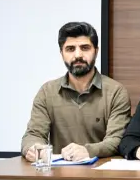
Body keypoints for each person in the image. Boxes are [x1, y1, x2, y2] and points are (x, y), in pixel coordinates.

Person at [21, 21, 131, 161]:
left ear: (96, 51)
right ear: (61, 53)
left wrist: (88, 151)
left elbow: (116, 140)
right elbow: (33, 134)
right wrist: (36, 148)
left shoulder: (116, 92)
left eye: (85, 48)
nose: (78, 55)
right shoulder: (47, 92)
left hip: (101, 171)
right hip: (59, 171)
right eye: (70, 49)